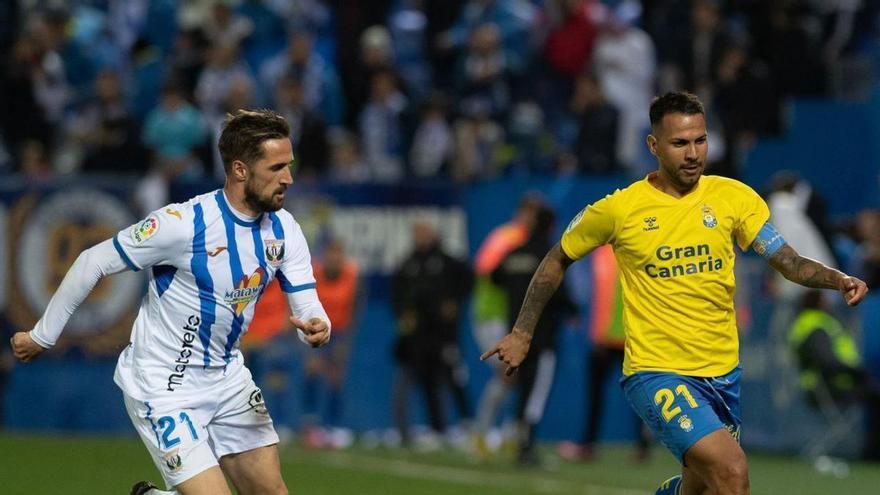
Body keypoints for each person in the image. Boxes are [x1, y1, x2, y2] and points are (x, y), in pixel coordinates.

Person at [482, 91, 869, 495]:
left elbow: (788, 261)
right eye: (679, 143)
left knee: (700, 488)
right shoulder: (620, 209)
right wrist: (523, 332)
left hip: (723, 374)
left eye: (700, 140)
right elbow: (555, 259)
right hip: (656, 371)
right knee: (733, 473)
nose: (692, 154)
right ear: (654, 145)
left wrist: (836, 278)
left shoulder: (733, 197)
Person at [10, 108, 331, 495]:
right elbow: (92, 261)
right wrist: (43, 335)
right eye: (277, 167)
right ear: (241, 169)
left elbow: (307, 305)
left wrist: (317, 325)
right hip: (165, 386)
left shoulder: (285, 230)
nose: (288, 178)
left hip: (227, 378)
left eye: (289, 165)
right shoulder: (183, 223)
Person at [491, 205, 575, 465]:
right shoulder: (548, 258)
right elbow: (561, 297)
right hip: (543, 339)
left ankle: (517, 441)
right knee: (536, 394)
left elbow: (495, 277)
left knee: (522, 390)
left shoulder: (515, 253)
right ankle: (526, 446)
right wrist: (572, 310)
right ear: (551, 226)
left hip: (516, 338)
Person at [557, 244, 651, 463]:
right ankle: (589, 445)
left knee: (641, 395)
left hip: (630, 338)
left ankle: (643, 446)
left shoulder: (637, 249)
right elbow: (598, 297)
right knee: (597, 395)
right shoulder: (602, 254)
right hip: (606, 339)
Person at [391, 221, 474, 448]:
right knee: (426, 381)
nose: (421, 237)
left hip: (444, 333)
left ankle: (468, 424)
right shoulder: (410, 263)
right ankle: (437, 428)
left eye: (424, 232)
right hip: (420, 335)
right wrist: (404, 314)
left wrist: (455, 302)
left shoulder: (447, 260)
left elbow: (468, 279)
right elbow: (398, 293)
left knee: (453, 376)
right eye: (417, 232)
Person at [789, 289, 880, 460]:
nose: (830, 302)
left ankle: (872, 450)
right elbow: (828, 362)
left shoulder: (806, 323)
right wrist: (857, 373)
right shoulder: (816, 324)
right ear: (818, 302)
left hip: (826, 384)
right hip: (830, 386)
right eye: (826, 298)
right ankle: (873, 452)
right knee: (875, 396)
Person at [300, 238, 362, 449]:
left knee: (336, 378)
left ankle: (333, 426)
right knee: (313, 371)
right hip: (315, 327)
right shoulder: (313, 273)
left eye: (339, 254)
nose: (335, 259)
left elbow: (354, 309)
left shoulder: (352, 275)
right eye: (331, 254)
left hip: (339, 331)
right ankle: (311, 424)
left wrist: (344, 343)